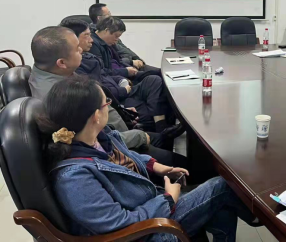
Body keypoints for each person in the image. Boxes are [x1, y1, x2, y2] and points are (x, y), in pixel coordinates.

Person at [37, 76, 259, 241]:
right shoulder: (74, 177)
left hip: (150, 206)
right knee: (222, 186)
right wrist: (168, 199)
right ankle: (259, 216)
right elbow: (119, 225)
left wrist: (157, 166)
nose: (109, 106)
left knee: (220, 205)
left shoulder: (98, 137)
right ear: (96, 116)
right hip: (148, 231)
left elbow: (128, 157)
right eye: (107, 103)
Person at [28, 26, 184, 168]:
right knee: (187, 165)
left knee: (166, 138)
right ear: (62, 62)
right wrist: (138, 136)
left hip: (117, 134)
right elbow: (93, 142)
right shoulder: (61, 96)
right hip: (115, 152)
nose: (81, 50)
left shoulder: (56, 73)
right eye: (76, 49)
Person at [60, 18, 181, 138]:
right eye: (86, 35)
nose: (90, 39)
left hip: (118, 87)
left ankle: (162, 127)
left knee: (154, 80)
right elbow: (99, 92)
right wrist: (123, 88)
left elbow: (106, 73)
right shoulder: (77, 64)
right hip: (117, 98)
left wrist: (121, 79)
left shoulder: (91, 55)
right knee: (158, 102)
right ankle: (163, 133)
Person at [89, 17, 176, 133]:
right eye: (116, 36)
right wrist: (124, 76)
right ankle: (163, 129)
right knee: (158, 82)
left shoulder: (106, 44)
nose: (117, 40)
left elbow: (113, 65)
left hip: (120, 82)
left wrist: (127, 68)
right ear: (106, 30)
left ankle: (161, 125)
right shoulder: (93, 48)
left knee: (154, 79)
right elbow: (104, 74)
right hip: (118, 91)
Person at [89, 3, 159, 73]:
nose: (111, 17)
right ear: (99, 18)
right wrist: (130, 63)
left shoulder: (109, 34)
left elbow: (122, 50)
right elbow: (106, 67)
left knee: (159, 73)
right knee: (155, 76)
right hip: (122, 68)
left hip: (125, 65)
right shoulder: (99, 39)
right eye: (108, 15)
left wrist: (135, 58)